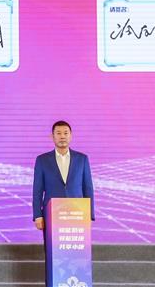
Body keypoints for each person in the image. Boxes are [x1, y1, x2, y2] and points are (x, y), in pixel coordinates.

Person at [33, 120, 95, 287]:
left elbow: (88, 187)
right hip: (52, 217)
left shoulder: (82, 159)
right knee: (52, 256)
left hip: (77, 216)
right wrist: (37, 215)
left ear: (71, 136)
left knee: (78, 256)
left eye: (65, 133)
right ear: (52, 136)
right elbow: (37, 190)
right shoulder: (42, 160)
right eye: (58, 133)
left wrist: (89, 215)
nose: (62, 136)